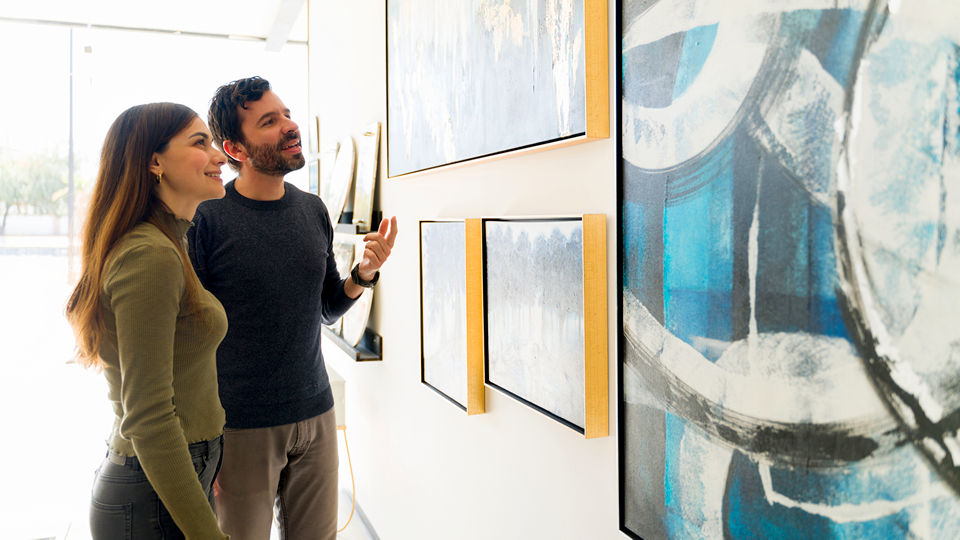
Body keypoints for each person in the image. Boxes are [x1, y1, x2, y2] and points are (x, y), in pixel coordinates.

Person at [189, 76, 397, 539]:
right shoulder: (208, 218)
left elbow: (324, 308)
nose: (289, 125)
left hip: (316, 416)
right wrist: (203, 439)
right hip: (239, 427)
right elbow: (188, 339)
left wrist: (361, 275)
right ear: (235, 149)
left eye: (286, 114)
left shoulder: (313, 210)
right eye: (269, 121)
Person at [65, 102, 230, 539]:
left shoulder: (168, 241)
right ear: (154, 162)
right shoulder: (150, 255)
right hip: (150, 498)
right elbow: (150, 416)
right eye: (201, 143)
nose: (220, 157)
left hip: (168, 479)